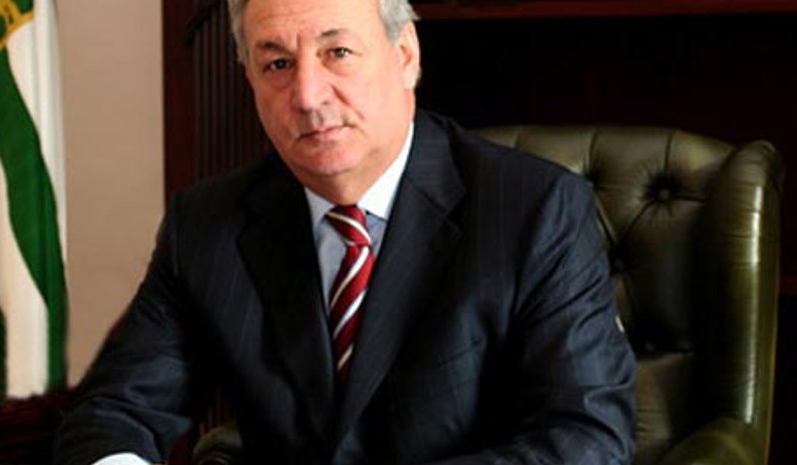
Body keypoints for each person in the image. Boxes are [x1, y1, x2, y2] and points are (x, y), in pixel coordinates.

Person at [55, 0, 636, 463]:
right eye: (277, 64)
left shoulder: (534, 209)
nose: (307, 96)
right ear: (250, 78)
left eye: (337, 52)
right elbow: (113, 412)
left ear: (404, 55)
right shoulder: (207, 225)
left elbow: (585, 436)